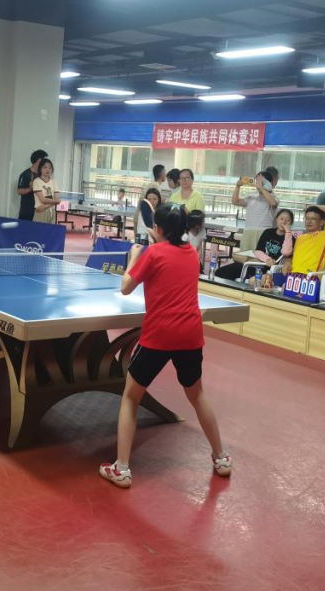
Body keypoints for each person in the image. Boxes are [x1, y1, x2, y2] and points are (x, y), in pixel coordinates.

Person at [99, 204, 230, 489]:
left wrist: (134, 257)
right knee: (197, 394)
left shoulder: (152, 253)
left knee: (130, 397)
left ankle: (121, 469)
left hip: (159, 335)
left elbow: (125, 287)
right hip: (190, 335)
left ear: (158, 228)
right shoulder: (191, 253)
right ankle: (221, 458)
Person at [215, 208, 295, 280]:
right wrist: (268, 259)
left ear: (291, 223)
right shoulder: (268, 232)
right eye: (281, 219)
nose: (284, 222)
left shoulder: (291, 239)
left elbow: (286, 253)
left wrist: (288, 233)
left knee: (226, 273)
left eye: (287, 220)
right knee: (220, 272)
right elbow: (258, 251)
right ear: (276, 219)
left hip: (268, 270)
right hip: (255, 264)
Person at [286, 204, 325, 275]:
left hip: (310, 276)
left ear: (321, 222)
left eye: (313, 219)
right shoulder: (300, 238)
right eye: (307, 219)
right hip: (292, 275)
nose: (309, 222)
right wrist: (287, 262)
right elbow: (292, 257)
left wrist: (313, 206)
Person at [16, 149, 47, 221]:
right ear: (38, 160)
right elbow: (19, 191)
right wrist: (31, 188)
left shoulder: (43, 175)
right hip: (27, 212)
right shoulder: (25, 174)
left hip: (40, 211)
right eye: (43, 160)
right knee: (25, 228)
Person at [32, 158, 61, 224]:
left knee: (50, 230)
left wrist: (45, 205)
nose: (48, 170)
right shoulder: (37, 181)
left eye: (50, 168)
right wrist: (55, 202)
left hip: (51, 211)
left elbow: (57, 199)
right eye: (45, 167)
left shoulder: (54, 182)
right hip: (41, 211)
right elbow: (42, 200)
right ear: (40, 169)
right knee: (39, 230)